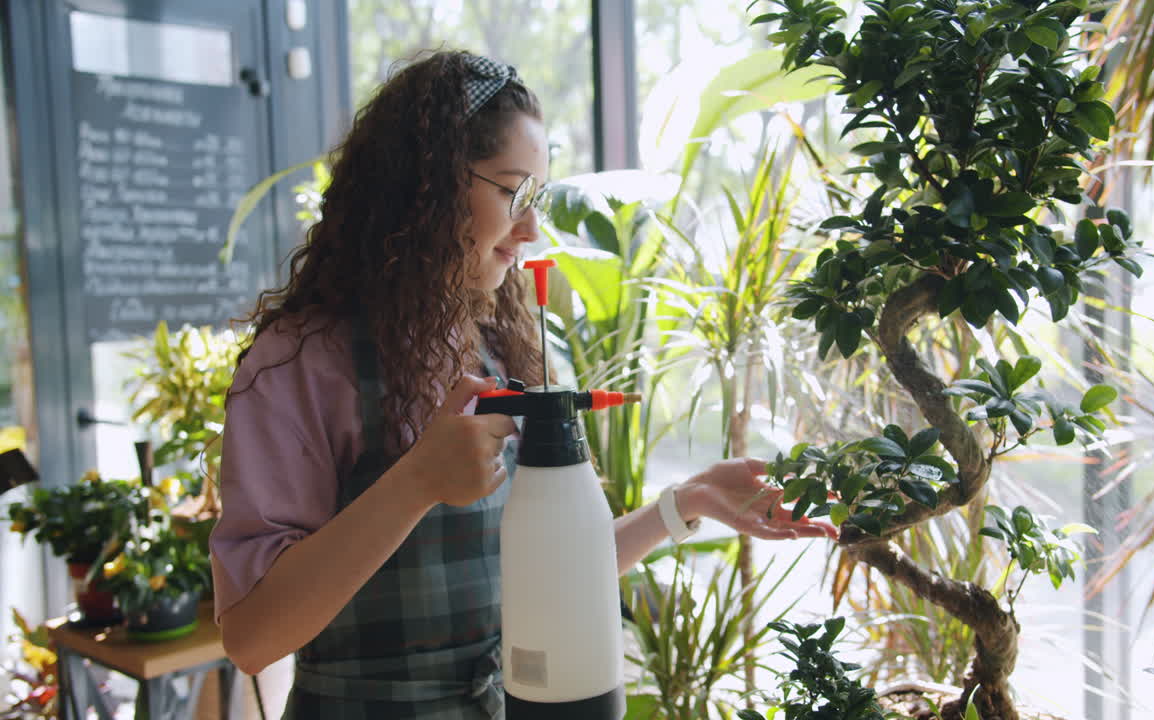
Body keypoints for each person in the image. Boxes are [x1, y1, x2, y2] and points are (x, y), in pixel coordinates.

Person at [210, 50, 836, 720]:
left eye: (535, 197)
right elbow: (252, 637)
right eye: (513, 191)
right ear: (427, 186)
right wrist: (417, 481)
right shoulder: (303, 364)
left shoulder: (501, 348)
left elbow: (550, 567)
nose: (533, 229)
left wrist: (688, 503)